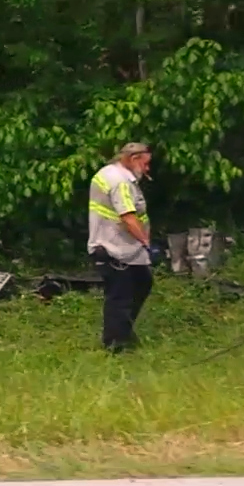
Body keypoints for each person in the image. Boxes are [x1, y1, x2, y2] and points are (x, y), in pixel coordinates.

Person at [88, 142, 156, 351]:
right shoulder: (120, 182)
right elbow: (128, 216)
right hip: (115, 248)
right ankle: (116, 343)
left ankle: (123, 330)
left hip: (124, 247)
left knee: (142, 283)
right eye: (146, 164)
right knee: (121, 296)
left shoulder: (111, 173)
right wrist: (147, 243)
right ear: (134, 159)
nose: (148, 169)